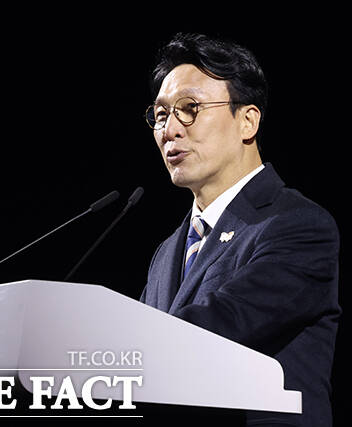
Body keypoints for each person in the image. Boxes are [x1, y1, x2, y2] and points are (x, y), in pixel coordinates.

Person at [139, 33, 340, 427]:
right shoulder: (167, 252)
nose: (169, 130)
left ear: (247, 121)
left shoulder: (298, 225)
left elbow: (224, 323)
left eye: (190, 109)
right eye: (160, 115)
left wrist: (109, 346)